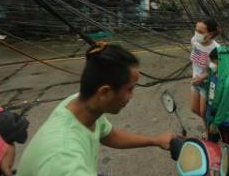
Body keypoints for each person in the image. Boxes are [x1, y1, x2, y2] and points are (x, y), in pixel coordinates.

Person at [17, 42, 174, 176]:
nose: (131, 96)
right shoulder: (64, 161)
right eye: (130, 89)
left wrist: (155, 140)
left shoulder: (79, 104)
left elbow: (109, 135)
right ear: (104, 92)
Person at [205, 46, 229, 164]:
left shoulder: (228, 83)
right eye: (211, 61)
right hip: (212, 116)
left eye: (214, 61)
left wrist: (216, 123)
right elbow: (210, 92)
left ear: (222, 61)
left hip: (223, 120)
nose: (211, 64)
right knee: (212, 141)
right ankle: (217, 159)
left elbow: (224, 106)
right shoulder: (213, 75)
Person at [190, 19, 220, 118]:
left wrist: (201, 78)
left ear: (210, 34)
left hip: (207, 84)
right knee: (194, 109)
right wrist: (196, 78)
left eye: (200, 32)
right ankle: (208, 127)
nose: (196, 33)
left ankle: (210, 131)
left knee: (204, 113)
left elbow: (215, 69)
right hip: (195, 81)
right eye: (196, 30)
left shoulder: (215, 49)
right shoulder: (194, 40)